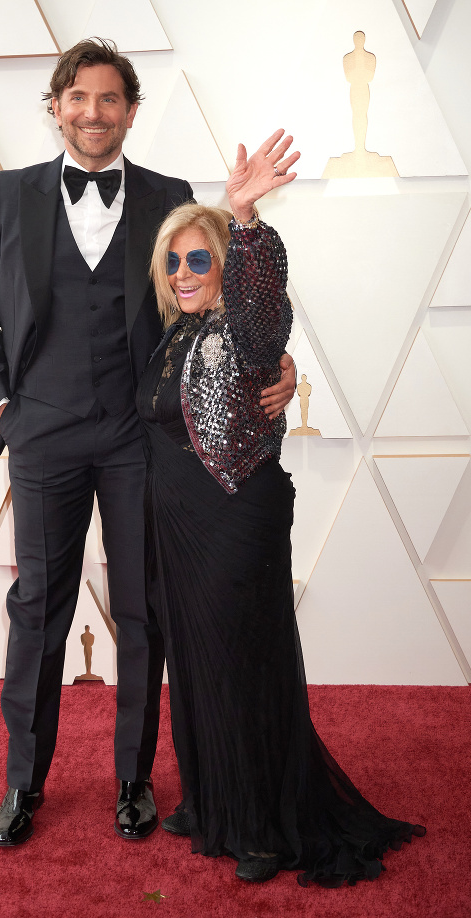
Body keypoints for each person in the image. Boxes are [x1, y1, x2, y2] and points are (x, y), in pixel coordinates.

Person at [0, 39, 297, 847]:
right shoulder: (9, 196)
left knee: (145, 612)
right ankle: (22, 783)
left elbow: (216, 300)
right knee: (39, 607)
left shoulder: (169, 194)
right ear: (56, 108)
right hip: (41, 433)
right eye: (77, 97)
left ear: (131, 111)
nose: (93, 112)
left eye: (110, 99)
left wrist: (277, 363)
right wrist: (2, 407)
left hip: (143, 440)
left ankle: (133, 780)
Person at [137, 130, 425, 885]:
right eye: (175, 260)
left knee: (244, 665)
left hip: (236, 519)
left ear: (225, 266)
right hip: (177, 526)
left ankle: (262, 823)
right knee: (197, 665)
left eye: (201, 257)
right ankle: (211, 798)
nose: (186, 270)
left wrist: (247, 219)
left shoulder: (248, 324)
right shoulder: (175, 336)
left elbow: (268, 306)